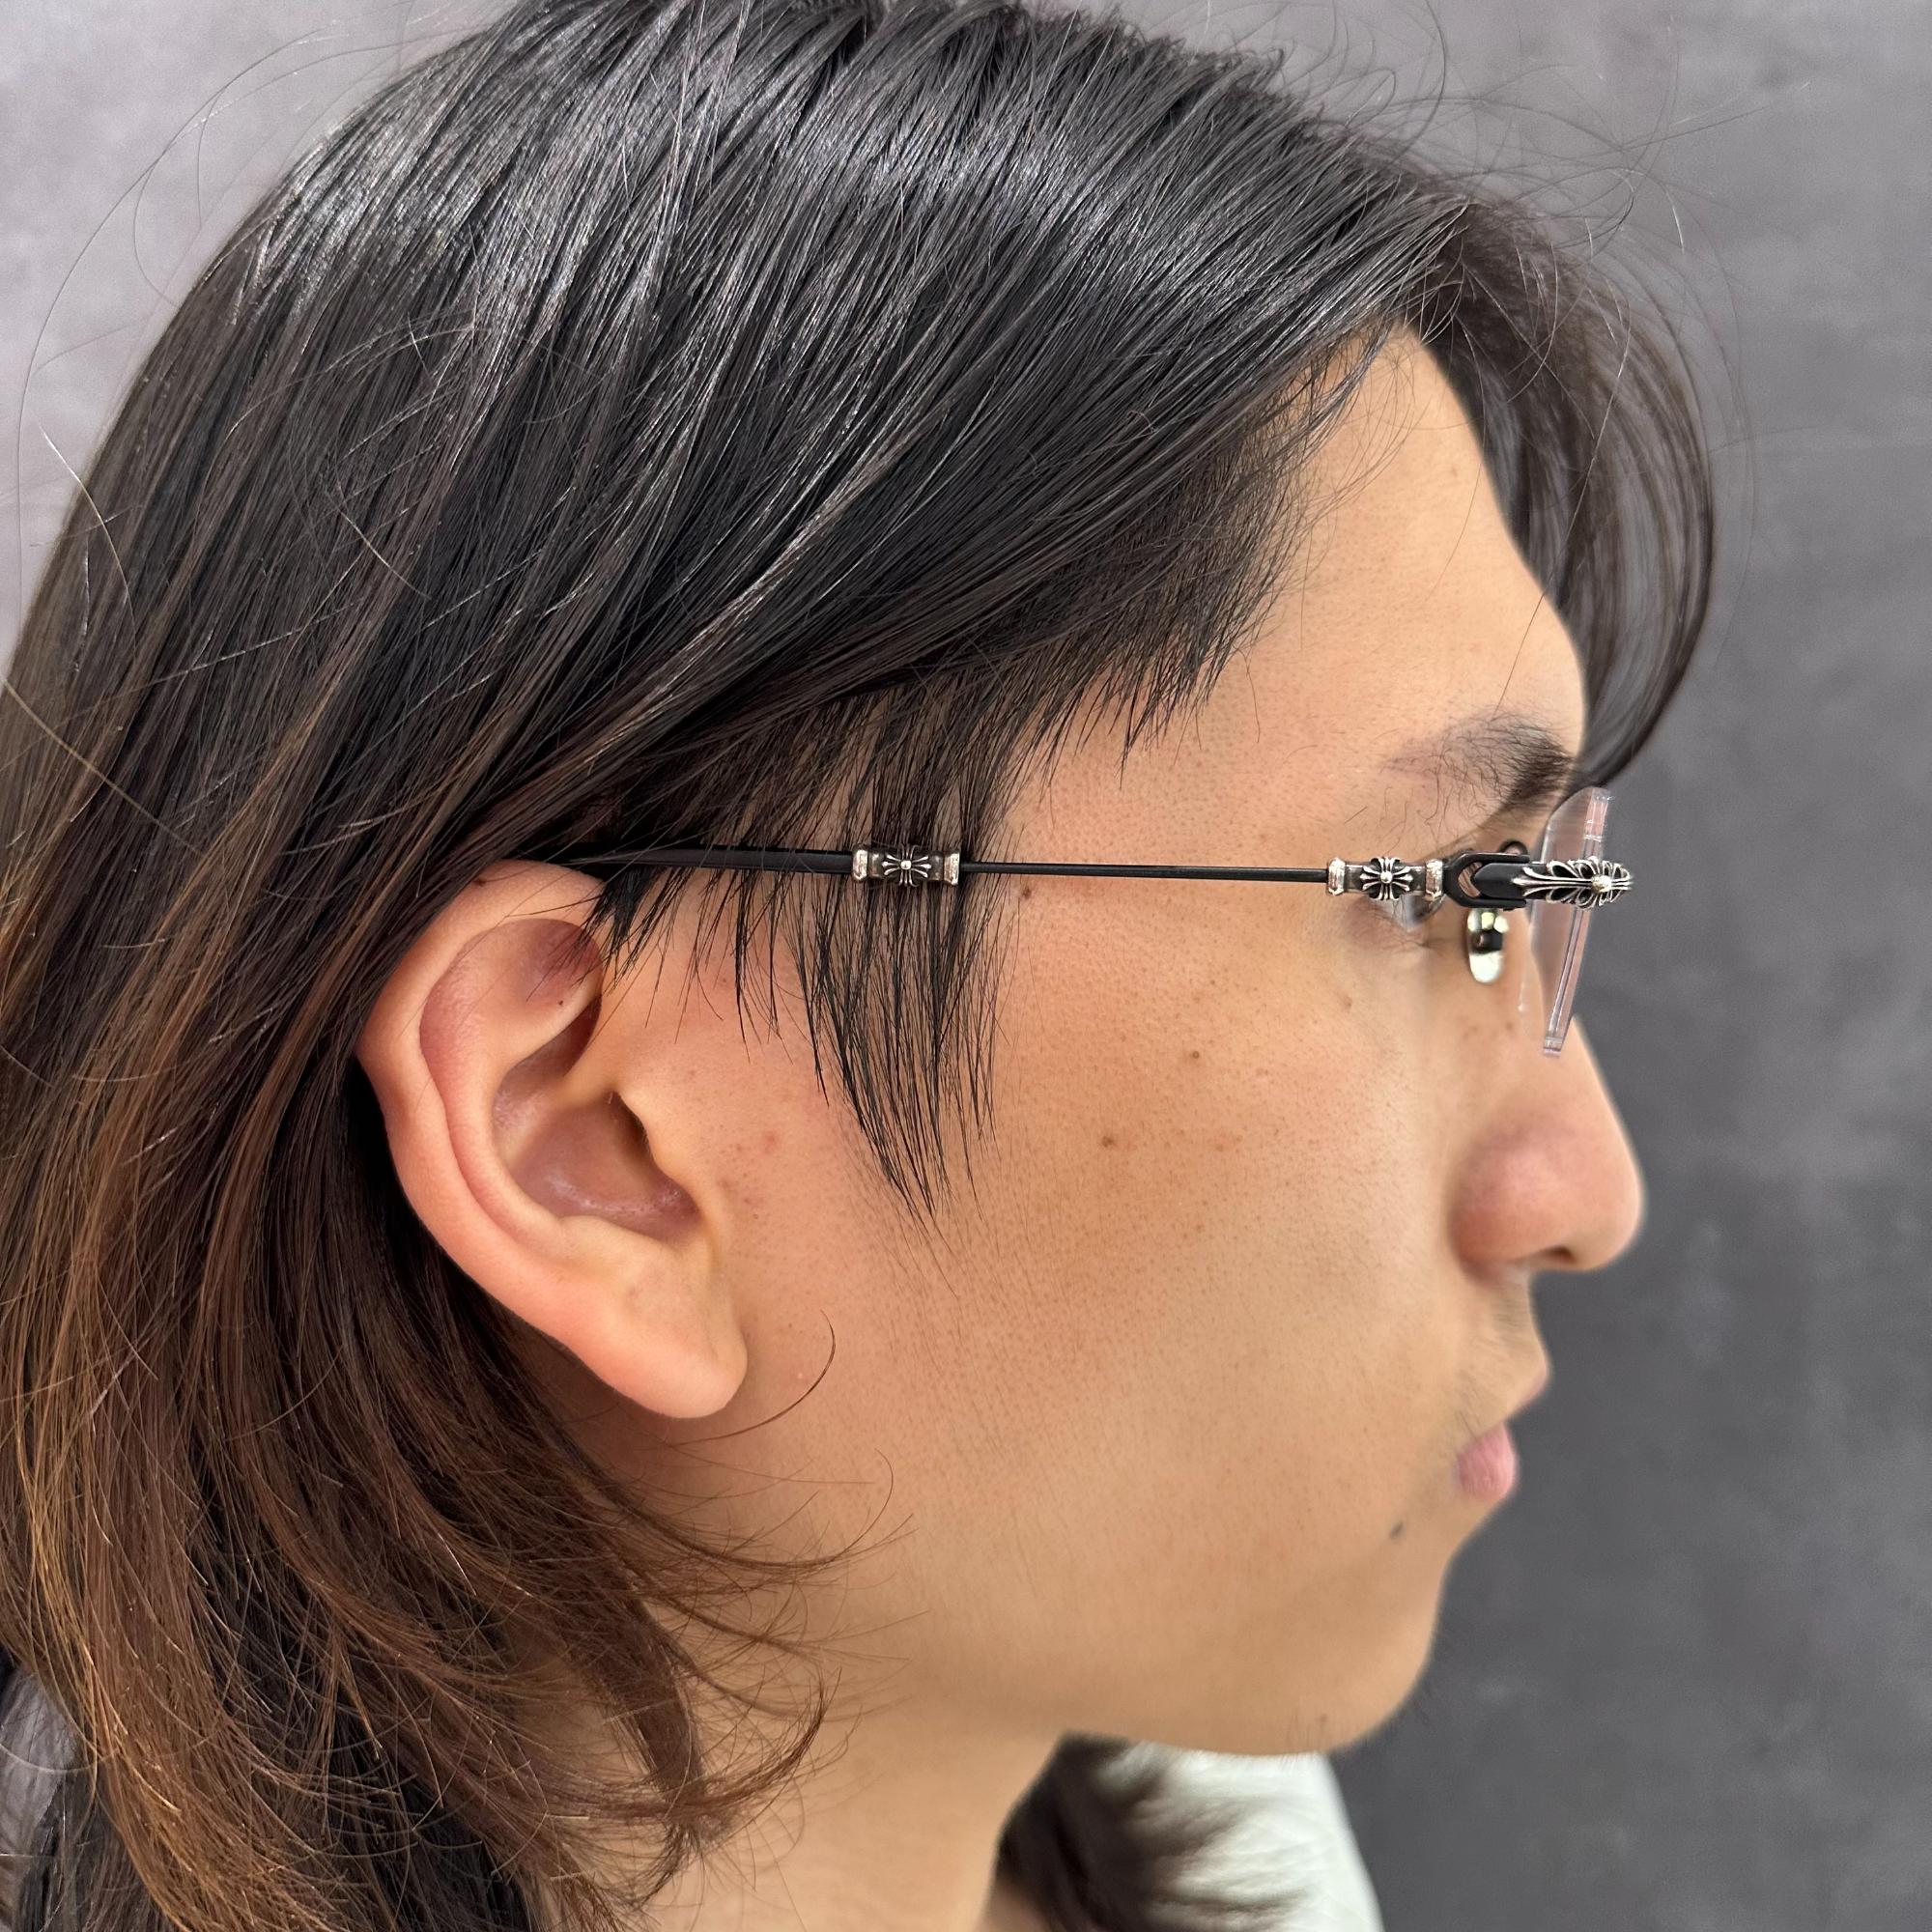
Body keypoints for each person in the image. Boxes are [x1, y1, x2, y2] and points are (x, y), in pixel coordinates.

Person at [0, 0, 1716, 1927]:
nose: (1585, 1193)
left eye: (1530, 905)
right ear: (591, 1135)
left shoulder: (1229, 1831)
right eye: (1434, 898)